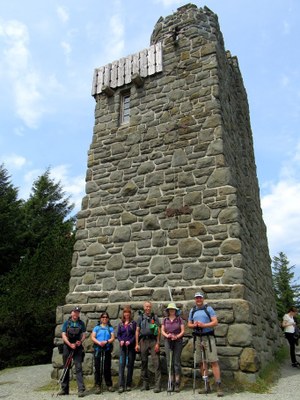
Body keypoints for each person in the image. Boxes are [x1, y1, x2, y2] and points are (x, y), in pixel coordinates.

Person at [187, 292, 223, 397]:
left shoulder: (209, 309)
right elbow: (189, 324)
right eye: (197, 298)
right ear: (195, 299)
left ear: (203, 299)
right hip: (197, 337)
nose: (198, 300)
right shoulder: (192, 310)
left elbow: (215, 322)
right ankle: (206, 385)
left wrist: (204, 325)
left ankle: (218, 386)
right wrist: (194, 325)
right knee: (202, 362)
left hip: (208, 337)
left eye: (200, 298)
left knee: (213, 361)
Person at [58, 306, 86, 398]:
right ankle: (64, 389)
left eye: (77, 312)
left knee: (78, 367)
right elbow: (63, 335)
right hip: (67, 346)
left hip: (78, 347)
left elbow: (84, 335)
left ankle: (81, 390)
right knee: (66, 367)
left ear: (78, 314)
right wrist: (70, 344)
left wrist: (80, 342)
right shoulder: (67, 323)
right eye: (74, 312)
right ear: (72, 313)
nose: (76, 314)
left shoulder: (81, 323)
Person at [135, 301, 161, 393]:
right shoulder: (140, 318)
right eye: (146, 307)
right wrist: (137, 344)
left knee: (156, 362)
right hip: (143, 341)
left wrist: (158, 343)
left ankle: (157, 385)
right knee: (144, 362)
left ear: (151, 307)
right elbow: (137, 331)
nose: (148, 308)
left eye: (149, 307)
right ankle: (145, 383)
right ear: (144, 307)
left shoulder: (155, 317)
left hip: (153, 341)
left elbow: (158, 330)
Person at [161, 302, 185, 392]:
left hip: (177, 341)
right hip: (168, 341)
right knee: (169, 362)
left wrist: (177, 336)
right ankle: (170, 382)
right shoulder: (165, 319)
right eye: (170, 309)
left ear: (175, 310)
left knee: (176, 362)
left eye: (173, 309)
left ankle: (177, 383)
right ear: (168, 310)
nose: (172, 311)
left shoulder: (179, 319)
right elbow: (162, 330)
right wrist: (167, 336)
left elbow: (183, 330)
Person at [91, 312, 115, 393]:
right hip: (98, 349)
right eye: (103, 317)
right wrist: (99, 342)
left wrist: (106, 341)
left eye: (106, 317)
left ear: (108, 319)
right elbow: (92, 337)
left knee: (107, 368)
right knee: (98, 368)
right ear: (101, 318)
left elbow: (112, 338)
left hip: (107, 349)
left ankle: (109, 385)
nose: (104, 318)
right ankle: (98, 385)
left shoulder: (110, 328)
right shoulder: (96, 328)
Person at [117, 306, 137, 393]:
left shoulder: (133, 323)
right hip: (123, 348)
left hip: (131, 347)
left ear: (130, 314)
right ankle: (121, 385)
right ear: (123, 314)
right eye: (125, 313)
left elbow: (135, 335)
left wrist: (130, 341)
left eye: (128, 312)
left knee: (130, 365)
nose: (127, 314)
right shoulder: (121, 324)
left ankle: (128, 384)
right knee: (121, 365)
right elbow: (118, 334)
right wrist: (120, 340)